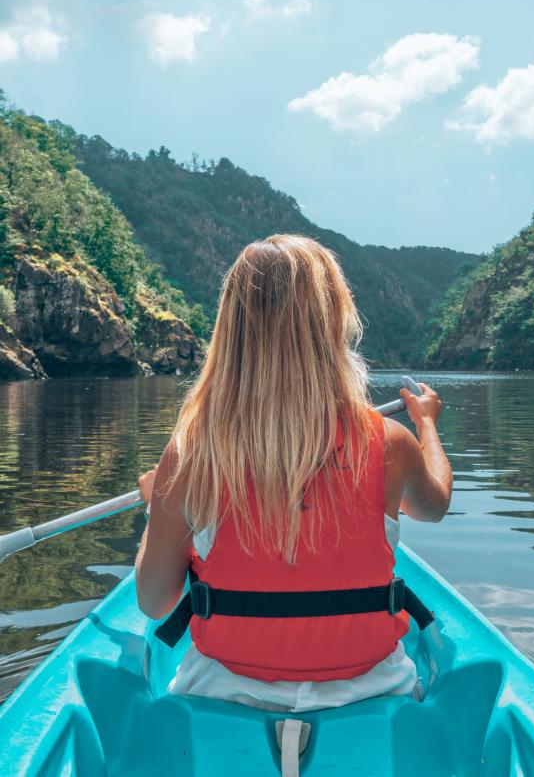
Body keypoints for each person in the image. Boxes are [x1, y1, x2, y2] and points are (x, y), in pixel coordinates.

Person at [135, 234, 452, 712]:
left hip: (225, 692)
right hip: (373, 688)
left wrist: (157, 505)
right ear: (332, 324)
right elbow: (434, 505)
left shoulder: (192, 456)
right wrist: (425, 422)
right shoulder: (390, 442)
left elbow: (156, 602)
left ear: (231, 331)